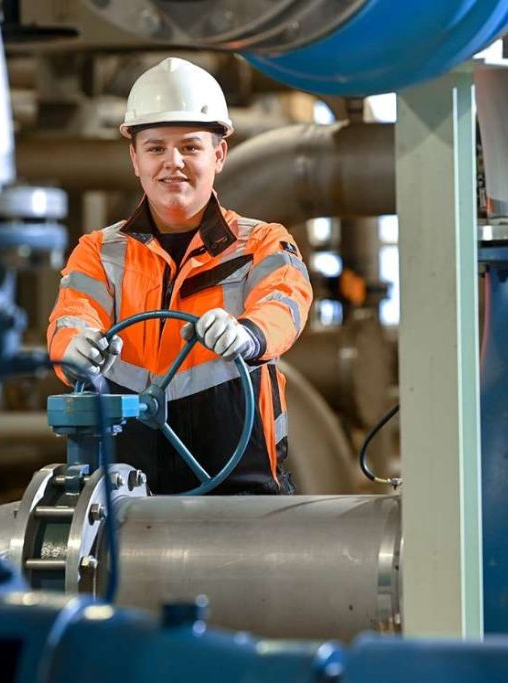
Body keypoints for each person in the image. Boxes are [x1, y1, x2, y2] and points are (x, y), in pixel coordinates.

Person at [47, 57, 312, 495]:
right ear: (135, 158)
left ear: (219, 154)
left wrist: (248, 335)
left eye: (190, 147)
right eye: (156, 148)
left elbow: (283, 302)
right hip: (122, 493)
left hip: (241, 487)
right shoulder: (99, 252)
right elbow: (72, 317)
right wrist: (72, 347)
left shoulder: (262, 243)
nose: (173, 162)